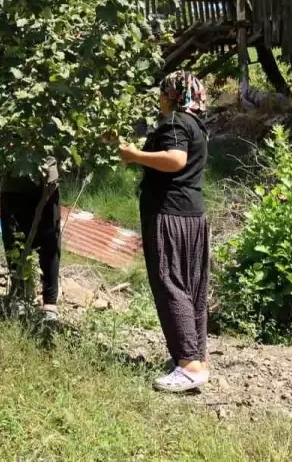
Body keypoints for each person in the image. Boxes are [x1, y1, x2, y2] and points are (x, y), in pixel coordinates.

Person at [115, 71, 210, 392]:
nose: (159, 98)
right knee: (190, 286)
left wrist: (134, 156)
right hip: (193, 214)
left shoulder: (174, 123)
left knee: (170, 283)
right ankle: (195, 358)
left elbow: (175, 159)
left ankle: (189, 365)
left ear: (172, 94)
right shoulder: (196, 124)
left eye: (162, 92)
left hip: (169, 214)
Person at [0, 156, 62, 319]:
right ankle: (21, 295)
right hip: (14, 181)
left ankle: (50, 301)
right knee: (14, 240)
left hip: (47, 180)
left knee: (50, 241)